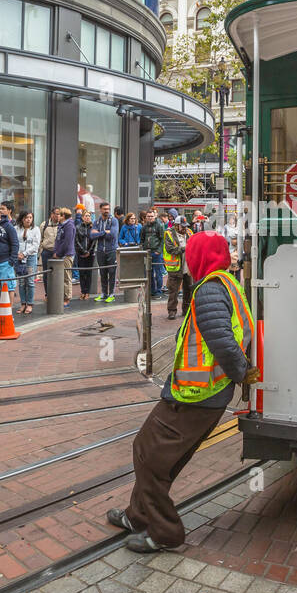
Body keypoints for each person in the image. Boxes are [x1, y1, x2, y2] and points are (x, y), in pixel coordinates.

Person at [105, 231, 256, 553]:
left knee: (149, 456)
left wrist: (242, 374)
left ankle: (164, 531)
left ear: (202, 256)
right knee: (157, 456)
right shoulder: (227, 283)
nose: (187, 259)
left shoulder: (210, 291)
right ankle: (138, 515)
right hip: (201, 393)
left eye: (192, 253)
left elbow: (224, 343)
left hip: (196, 395)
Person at [162, 217, 193, 320]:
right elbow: (171, 249)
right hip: (175, 267)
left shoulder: (189, 232)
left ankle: (186, 310)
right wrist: (185, 248)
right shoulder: (168, 234)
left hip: (187, 267)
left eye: (185, 226)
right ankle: (171, 311)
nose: (185, 228)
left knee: (188, 290)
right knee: (173, 291)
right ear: (176, 225)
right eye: (182, 226)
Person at [90, 202, 119, 302]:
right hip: (100, 251)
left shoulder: (114, 220)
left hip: (111, 250)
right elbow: (92, 236)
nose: (107, 211)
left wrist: (99, 233)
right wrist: (104, 232)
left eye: (108, 209)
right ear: (100, 210)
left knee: (111, 272)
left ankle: (111, 294)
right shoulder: (97, 222)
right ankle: (104, 293)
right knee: (102, 273)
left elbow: (113, 234)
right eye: (105, 209)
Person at [16, 211, 41, 315]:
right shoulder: (16, 228)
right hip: (19, 258)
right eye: (26, 217)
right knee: (21, 281)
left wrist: (25, 253)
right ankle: (23, 303)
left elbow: (36, 245)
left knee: (30, 281)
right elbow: (14, 242)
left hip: (30, 257)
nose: (28, 219)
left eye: (30, 217)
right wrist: (18, 254)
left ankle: (30, 304)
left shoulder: (36, 229)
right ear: (22, 218)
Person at [53, 207, 76, 305]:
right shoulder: (61, 225)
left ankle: (67, 298)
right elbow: (58, 240)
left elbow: (67, 242)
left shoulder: (69, 225)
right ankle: (61, 296)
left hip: (67, 255)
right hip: (60, 254)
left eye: (59, 214)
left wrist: (58, 253)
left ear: (63, 216)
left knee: (67, 277)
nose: (57, 216)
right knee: (61, 277)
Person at [141, 208, 165, 299]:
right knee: (149, 273)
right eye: (148, 216)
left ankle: (158, 291)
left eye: (151, 216)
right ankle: (152, 291)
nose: (150, 218)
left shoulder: (159, 226)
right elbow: (142, 239)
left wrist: (159, 250)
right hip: (147, 252)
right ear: (146, 217)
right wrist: (144, 248)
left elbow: (162, 239)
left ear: (154, 217)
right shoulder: (144, 227)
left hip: (156, 252)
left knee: (158, 273)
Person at [38, 208, 59, 303]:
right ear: (52, 214)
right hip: (47, 252)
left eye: (59, 214)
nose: (58, 216)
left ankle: (57, 294)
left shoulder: (62, 225)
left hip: (58, 253)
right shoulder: (44, 224)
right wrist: (41, 251)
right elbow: (40, 238)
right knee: (46, 275)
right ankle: (47, 294)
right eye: (56, 214)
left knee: (58, 275)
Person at [75, 210, 95, 300]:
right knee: (82, 273)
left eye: (89, 216)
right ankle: (83, 291)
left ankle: (87, 292)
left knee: (89, 273)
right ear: (82, 217)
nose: (87, 217)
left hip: (90, 254)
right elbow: (76, 241)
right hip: (80, 254)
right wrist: (83, 251)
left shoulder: (93, 227)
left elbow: (94, 241)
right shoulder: (78, 227)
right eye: (86, 216)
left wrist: (89, 252)